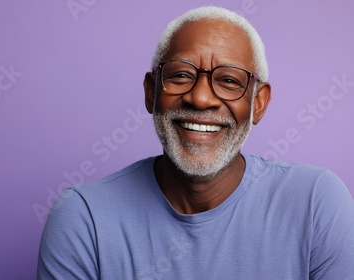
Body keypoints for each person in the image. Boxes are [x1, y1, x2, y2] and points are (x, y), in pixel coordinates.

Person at [37, 6, 354, 280]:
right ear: (151, 92)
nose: (200, 98)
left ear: (258, 102)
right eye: (180, 75)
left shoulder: (316, 203)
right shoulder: (84, 217)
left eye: (229, 80)